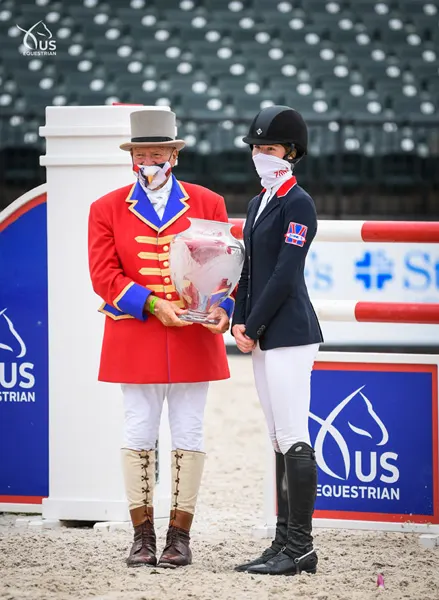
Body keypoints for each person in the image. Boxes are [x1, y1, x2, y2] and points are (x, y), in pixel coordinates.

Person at [88, 109, 234, 569]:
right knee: (138, 432)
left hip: (192, 333)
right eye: (141, 153)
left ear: (174, 153)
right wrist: (152, 304)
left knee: (189, 432)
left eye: (157, 152)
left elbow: (226, 266)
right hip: (138, 331)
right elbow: (104, 275)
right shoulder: (106, 207)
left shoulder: (208, 202)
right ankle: (142, 536)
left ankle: (180, 536)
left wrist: (222, 308)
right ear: (132, 157)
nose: (149, 159)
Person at [231, 105, 323, 576]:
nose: (259, 155)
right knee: (275, 438)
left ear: (289, 152)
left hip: (290, 332)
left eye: (267, 148)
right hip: (265, 333)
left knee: (292, 436)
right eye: (256, 148)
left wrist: (256, 325)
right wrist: (238, 319)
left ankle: (302, 546)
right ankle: (283, 541)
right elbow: (250, 270)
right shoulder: (257, 203)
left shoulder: (298, 203)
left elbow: (287, 273)